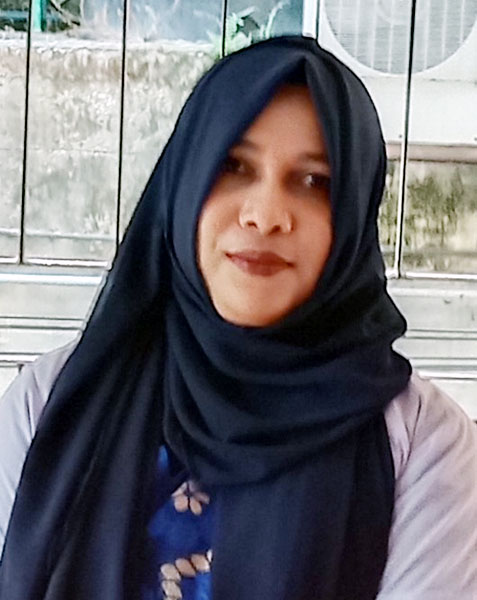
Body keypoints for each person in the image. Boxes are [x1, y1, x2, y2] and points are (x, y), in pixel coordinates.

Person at [0, 35, 476, 600]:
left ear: (352, 214)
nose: (266, 215)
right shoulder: (49, 405)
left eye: (314, 182)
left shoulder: (423, 447)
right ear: (185, 183)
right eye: (234, 166)